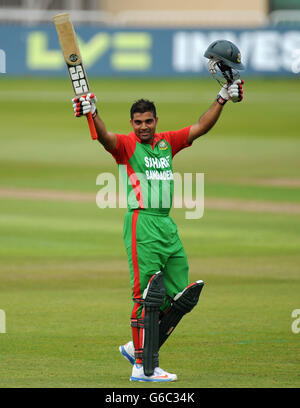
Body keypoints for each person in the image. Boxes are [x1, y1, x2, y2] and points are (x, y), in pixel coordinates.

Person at [72, 77, 244, 382]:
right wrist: (92, 113)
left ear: (156, 121)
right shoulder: (126, 145)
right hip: (142, 223)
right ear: (132, 123)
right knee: (146, 296)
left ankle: (134, 347)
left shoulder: (166, 143)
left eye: (148, 121)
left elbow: (199, 127)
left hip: (166, 225)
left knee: (179, 294)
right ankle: (143, 366)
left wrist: (222, 97)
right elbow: (104, 137)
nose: (143, 127)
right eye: (137, 122)